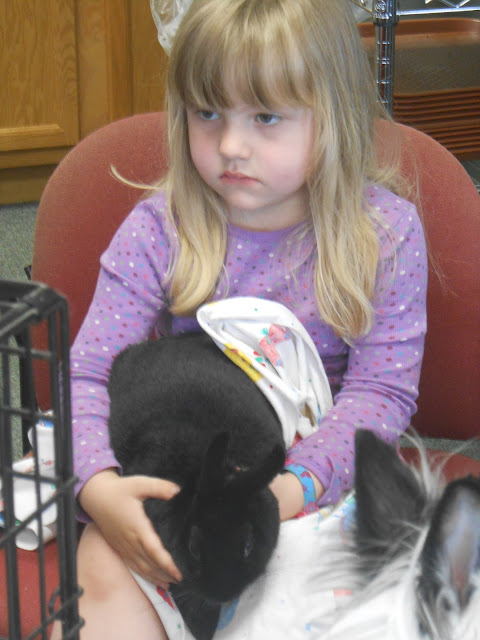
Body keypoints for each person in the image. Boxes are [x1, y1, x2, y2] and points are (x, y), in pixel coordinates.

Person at [52, 0, 428, 638]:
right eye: (207, 113)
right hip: (181, 486)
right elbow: (85, 373)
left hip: (316, 488)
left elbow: (380, 394)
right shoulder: (161, 228)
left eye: (265, 117)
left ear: (332, 115)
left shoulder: (385, 234)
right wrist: (98, 488)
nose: (229, 145)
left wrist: (288, 491)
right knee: (103, 562)